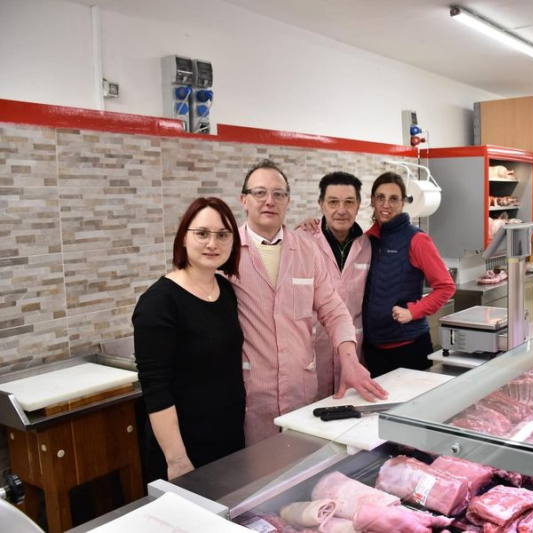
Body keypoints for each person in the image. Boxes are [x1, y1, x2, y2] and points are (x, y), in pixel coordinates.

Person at [231, 160, 388, 444]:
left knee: (303, 466)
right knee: (257, 474)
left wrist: (349, 359)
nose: (270, 201)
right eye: (260, 193)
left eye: (279, 194)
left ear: (288, 201)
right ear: (244, 200)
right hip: (251, 393)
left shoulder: (306, 250)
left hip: (301, 390)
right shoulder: (227, 253)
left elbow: (334, 309)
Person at [133, 197, 244, 482]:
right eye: (202, 233)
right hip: (183, 450)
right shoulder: (159, 302)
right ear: (184, 237)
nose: (212, 243)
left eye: (222, 235)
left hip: (228, 440)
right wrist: (178, 460)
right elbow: (155, 390)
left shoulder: (224, 289)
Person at [363, 172, 456, 377]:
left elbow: (446, 287)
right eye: (380, 197)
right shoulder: (367, 240)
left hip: (409, 347)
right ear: (372, 201)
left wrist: (413, 312)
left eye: (393, 199)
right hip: (373, 349)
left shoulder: (416, 240)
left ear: (403, 203)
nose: (386, 204)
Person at [296, 171, 372, 398]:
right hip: (313, 349)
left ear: (358, 206)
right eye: (333, 202)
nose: (341, 210)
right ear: (321, 205)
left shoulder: (367, 244)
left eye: (349, 202)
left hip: (353, 348)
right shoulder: (301, 240)